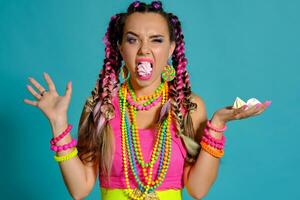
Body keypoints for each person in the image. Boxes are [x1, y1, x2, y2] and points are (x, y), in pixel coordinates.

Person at [23, 1, 271, 199]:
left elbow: (198, 189)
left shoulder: (188, 107)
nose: (144, 49)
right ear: (120, 48)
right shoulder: (100, 107)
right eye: (132, 40)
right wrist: (58, 123)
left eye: (157, 40)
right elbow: (80, 189)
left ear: (172, 48)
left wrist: (216, 125)